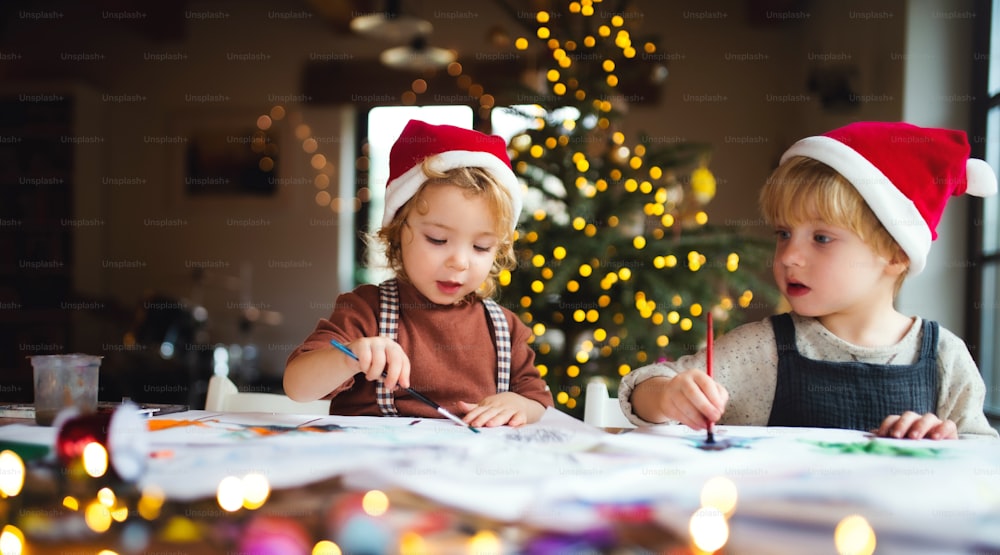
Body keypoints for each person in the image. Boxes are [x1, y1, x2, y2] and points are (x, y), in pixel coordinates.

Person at [620, 121, 999, 440]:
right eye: (783, 233)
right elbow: (643, 389)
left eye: (821, 238)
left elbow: (982, 467)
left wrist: (942, 441)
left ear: (897, 253)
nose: (789, 256)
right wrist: (669, 395)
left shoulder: (945, 358)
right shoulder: (761, 349)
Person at [284, 120, 552, 427]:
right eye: (437, 240)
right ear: (397, 232)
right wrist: (351, 356)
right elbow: (297, 386)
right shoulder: (366, 310)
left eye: (481, 246)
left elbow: (539, 401)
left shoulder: (504, 328)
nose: (459, 262)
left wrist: (519, 404)